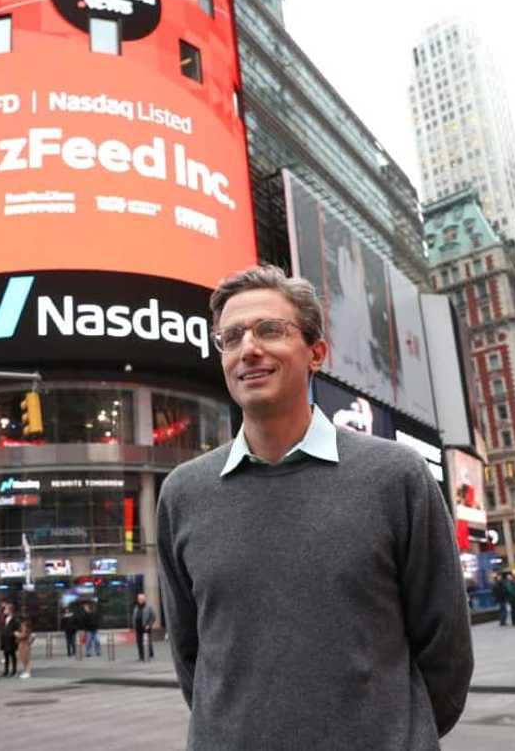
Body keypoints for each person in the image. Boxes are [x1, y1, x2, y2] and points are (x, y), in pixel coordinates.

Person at [157, 265, 473, 749]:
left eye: (270, 330)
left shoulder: (396, 476)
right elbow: (190, 656)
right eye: (232, 336)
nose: (249, 349)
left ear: (316, 353)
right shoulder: (183, 493)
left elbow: (445, 646)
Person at [132, 592, 157, 662]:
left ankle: (149, 654)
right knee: (139, 642)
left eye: (142, 599)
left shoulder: (148, 607)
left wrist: (149, 625)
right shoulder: (136, 608)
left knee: (147, 642)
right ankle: (141, 655)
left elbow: (153, 617)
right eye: (139, 599)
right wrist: (134, 626)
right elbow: (134, 617)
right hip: (138, 628)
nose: (141, 600)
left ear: (145, 599)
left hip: (146, 627)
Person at [0, 603, 20, 677]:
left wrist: (12, 634)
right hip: (5, 640)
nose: (4, 610)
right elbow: (3, 628)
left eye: (6, 609)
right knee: (6, 656)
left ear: (10, 610)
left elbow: (16, 629)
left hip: (11, 640)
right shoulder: (5, 618)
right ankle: (6, 670)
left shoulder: (15, 619)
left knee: (12, 655)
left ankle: (14, 670)